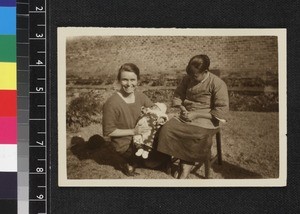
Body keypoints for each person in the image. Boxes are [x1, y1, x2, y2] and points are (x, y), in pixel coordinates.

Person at [157, 54, 229, 179]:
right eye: (190, 75)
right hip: (187, 114)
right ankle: (173, 160)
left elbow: (221, 111)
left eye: (195, 76)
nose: (192, 78)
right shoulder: (187, 79)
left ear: (205, 71)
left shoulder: (217, 84)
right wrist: (182, 108)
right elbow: (178, 95)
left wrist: (196, 114)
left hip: (206, 118)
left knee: (196, 135)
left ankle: (185, 166)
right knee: (166, 129)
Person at [102, 63, 169, 176]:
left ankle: (141, 161)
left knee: (167, 145)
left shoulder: (140, 97)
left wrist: (159, 118)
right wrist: (134, 131)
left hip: (143, 139)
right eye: (124, 80)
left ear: (138, 80)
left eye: (132, 80)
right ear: (118, 80)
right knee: (157, 159)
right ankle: (129, 162)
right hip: (125, 144)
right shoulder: (112, 103)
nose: (129, 84)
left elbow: (155, 110)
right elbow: (108, 131)